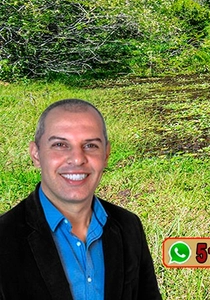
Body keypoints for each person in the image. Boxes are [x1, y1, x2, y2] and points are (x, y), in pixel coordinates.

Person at [0, 99, 162, 300]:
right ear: (36, 154)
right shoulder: (4, 238)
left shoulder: (129, 226)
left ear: (106, 154)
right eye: (60, 145)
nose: (77, 159)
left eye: (90, 145)